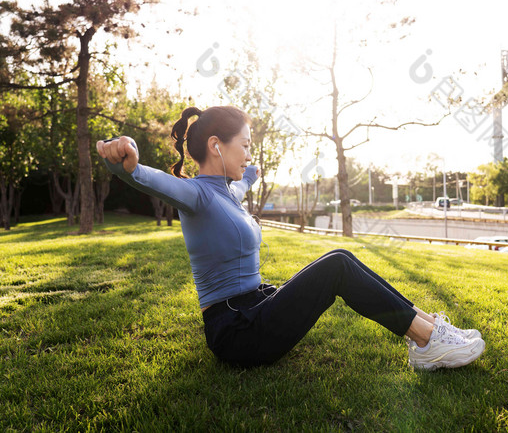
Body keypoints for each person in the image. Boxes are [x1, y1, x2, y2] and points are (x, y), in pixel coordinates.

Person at [96, 105, 485, 370]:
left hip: (254, 304)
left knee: (340, 255)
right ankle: (426, 341)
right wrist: (125, 156)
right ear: (216, 145)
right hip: (236, 331)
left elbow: (243, 183)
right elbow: (147, 178)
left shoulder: (229, 192)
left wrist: (249, 172)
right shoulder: (195, 194)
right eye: (245, 145)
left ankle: (431, 327)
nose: (248, 153)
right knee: (336, 267)